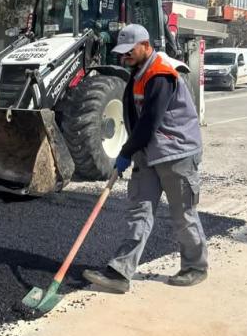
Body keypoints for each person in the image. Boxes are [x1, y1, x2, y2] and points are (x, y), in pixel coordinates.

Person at [83, 24, 207, 293]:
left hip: (177, 154)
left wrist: (125, 151)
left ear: (146, 46)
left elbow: (150, 121)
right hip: (147, 152)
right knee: (139, 212)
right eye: (122, 52)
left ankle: (195, 266)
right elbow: (134, 118)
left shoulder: (161, 74)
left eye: (129, 51)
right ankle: (120, 272)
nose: (124, 57)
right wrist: (133, 152)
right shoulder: (137, 72)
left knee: (182, 214)